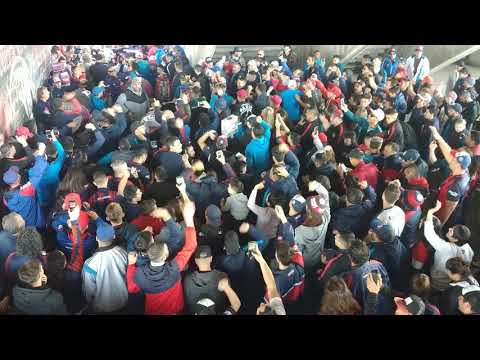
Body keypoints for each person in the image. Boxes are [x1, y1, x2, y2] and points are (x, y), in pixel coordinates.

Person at [126, 189, 197, 315]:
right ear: (166, 256)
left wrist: (131, 265)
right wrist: (187, 219)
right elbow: (190, 246)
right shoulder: (174, 267)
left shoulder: (140, 272)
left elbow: (131, 288)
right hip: (176, 310)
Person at [82, 212, 128, 314]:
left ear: (97, 238)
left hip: (102, 308)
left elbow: (89, 292)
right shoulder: (124, 253)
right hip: (124, 302)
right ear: (114, 236)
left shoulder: (90, 264)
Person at [424, 200, 474, 292]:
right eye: (453, 228)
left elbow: (429, 233)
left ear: (456, 239)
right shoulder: (469, 250)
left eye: (452, 231)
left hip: (437, 280)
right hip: (449, 282)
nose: (450, 229)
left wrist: (431, 211)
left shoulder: (445, 248)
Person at [3, 143, 48, 228]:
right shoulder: (25, 191)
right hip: (34, 222)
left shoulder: (5, 196)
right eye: (17, 173)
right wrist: (40, 155)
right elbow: (37, 174)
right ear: (18, 179)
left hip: (22, 223)